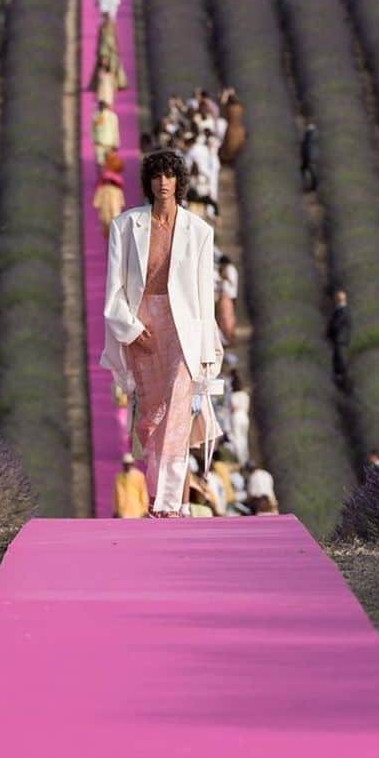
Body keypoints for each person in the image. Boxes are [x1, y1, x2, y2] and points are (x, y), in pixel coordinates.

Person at [101, 149, 224, 517]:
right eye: (157, 176)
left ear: (179, 182)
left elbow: (205, 296)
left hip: (183, 328)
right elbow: (114, 290)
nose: (163, 183)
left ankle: (169, 503)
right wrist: (131, 328)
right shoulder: (125, 227)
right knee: (150, 419)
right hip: (143, 324)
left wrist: (205, 350)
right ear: (149, 182)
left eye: (170, 175)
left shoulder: (199, 231)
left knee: (177, 413)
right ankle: (158, 494)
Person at [92, 163, 125, 238]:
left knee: (107, 227)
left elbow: (96, 203)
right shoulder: (117, 190)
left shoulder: (100, 190)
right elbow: (122, 203)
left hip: (105, 212)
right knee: (115, 228)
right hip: (115, 211)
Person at [114, 453, 150, 518]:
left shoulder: (139, 476)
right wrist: (115, 510)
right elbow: (116, 495)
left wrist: (145, 510)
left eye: (129, 464)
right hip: (122, 511)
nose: (127, 466)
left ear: (133, 464)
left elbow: (143, 493)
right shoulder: (119, 477)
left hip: (137, 511)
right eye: (125, 464)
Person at [328, 288, 351, 386]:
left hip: (341, 339)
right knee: (337, 359)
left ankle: (343, 379)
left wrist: (331, 331)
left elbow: (337, 324)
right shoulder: (339, 310)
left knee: (340, 359)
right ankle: (339, 378)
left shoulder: (343, 311)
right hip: (339, 339)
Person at [219, 86, 245, 163]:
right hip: (240, 130)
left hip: (231, 130)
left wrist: (225, 94)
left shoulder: (229, 108)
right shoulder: (240, 107)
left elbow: (222, 103)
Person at [229, 370, 250, 465]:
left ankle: (240, 459)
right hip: (245, 416)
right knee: (244, 438)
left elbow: (232, 408)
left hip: (237, 416)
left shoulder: (234, 395)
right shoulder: (245, 395)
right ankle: (245, 458)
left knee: (237, 438)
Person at [91, 100, 120, 166]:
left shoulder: (112, 116)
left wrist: (116, 143)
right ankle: (101, 175)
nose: (101, 107)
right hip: (99, 143)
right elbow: (92, 130)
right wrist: (94, 140)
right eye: (100, 105)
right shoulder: (95, 116)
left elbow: (115, 130)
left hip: (109, 143)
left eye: (103, 105)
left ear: (106, 106)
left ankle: (108, 175)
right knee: (100, 163)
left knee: (109, 162)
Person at [216, 255, 237, 344]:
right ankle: (228, 338)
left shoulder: (229, 269)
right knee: (227, 317)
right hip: (229, 296)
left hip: (228, 296)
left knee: (226, 318)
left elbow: (230, 282)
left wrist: (222, 276)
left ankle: (228, 338)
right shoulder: (231, 269)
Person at [301, 121, 319, 192]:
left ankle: (312, 187)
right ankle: (312, 186)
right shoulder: (313, 135)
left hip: (309, 156)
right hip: (310, 156)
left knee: (310, 171)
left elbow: (307, 147)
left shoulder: (308, 136)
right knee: (308, 170)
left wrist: (307, 156)